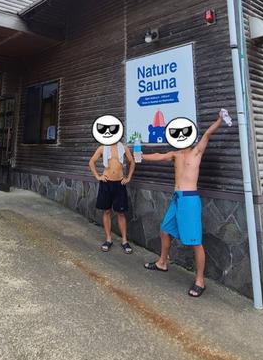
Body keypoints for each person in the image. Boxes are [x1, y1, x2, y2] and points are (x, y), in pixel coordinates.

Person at [141, 109, 231, 298]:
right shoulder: (176, 154)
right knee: (165, 230)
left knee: (195, 242)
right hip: (177, 199)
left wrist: (219, 120)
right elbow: (158, 155)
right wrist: (138, 156)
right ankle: (162, 263)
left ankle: (200, 281)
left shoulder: (197, 152)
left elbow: (207, 133)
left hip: (190, 200)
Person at [89, 123, 136, 254]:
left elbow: (132, 162)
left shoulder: (124, 148)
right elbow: (91, 162)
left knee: (121, 213)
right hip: (106, 183)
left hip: (120, 183)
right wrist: (98, 176)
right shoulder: (102, 148)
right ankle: (108, 239)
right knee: (106, 211)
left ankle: (124, 241)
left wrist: (129, 177)